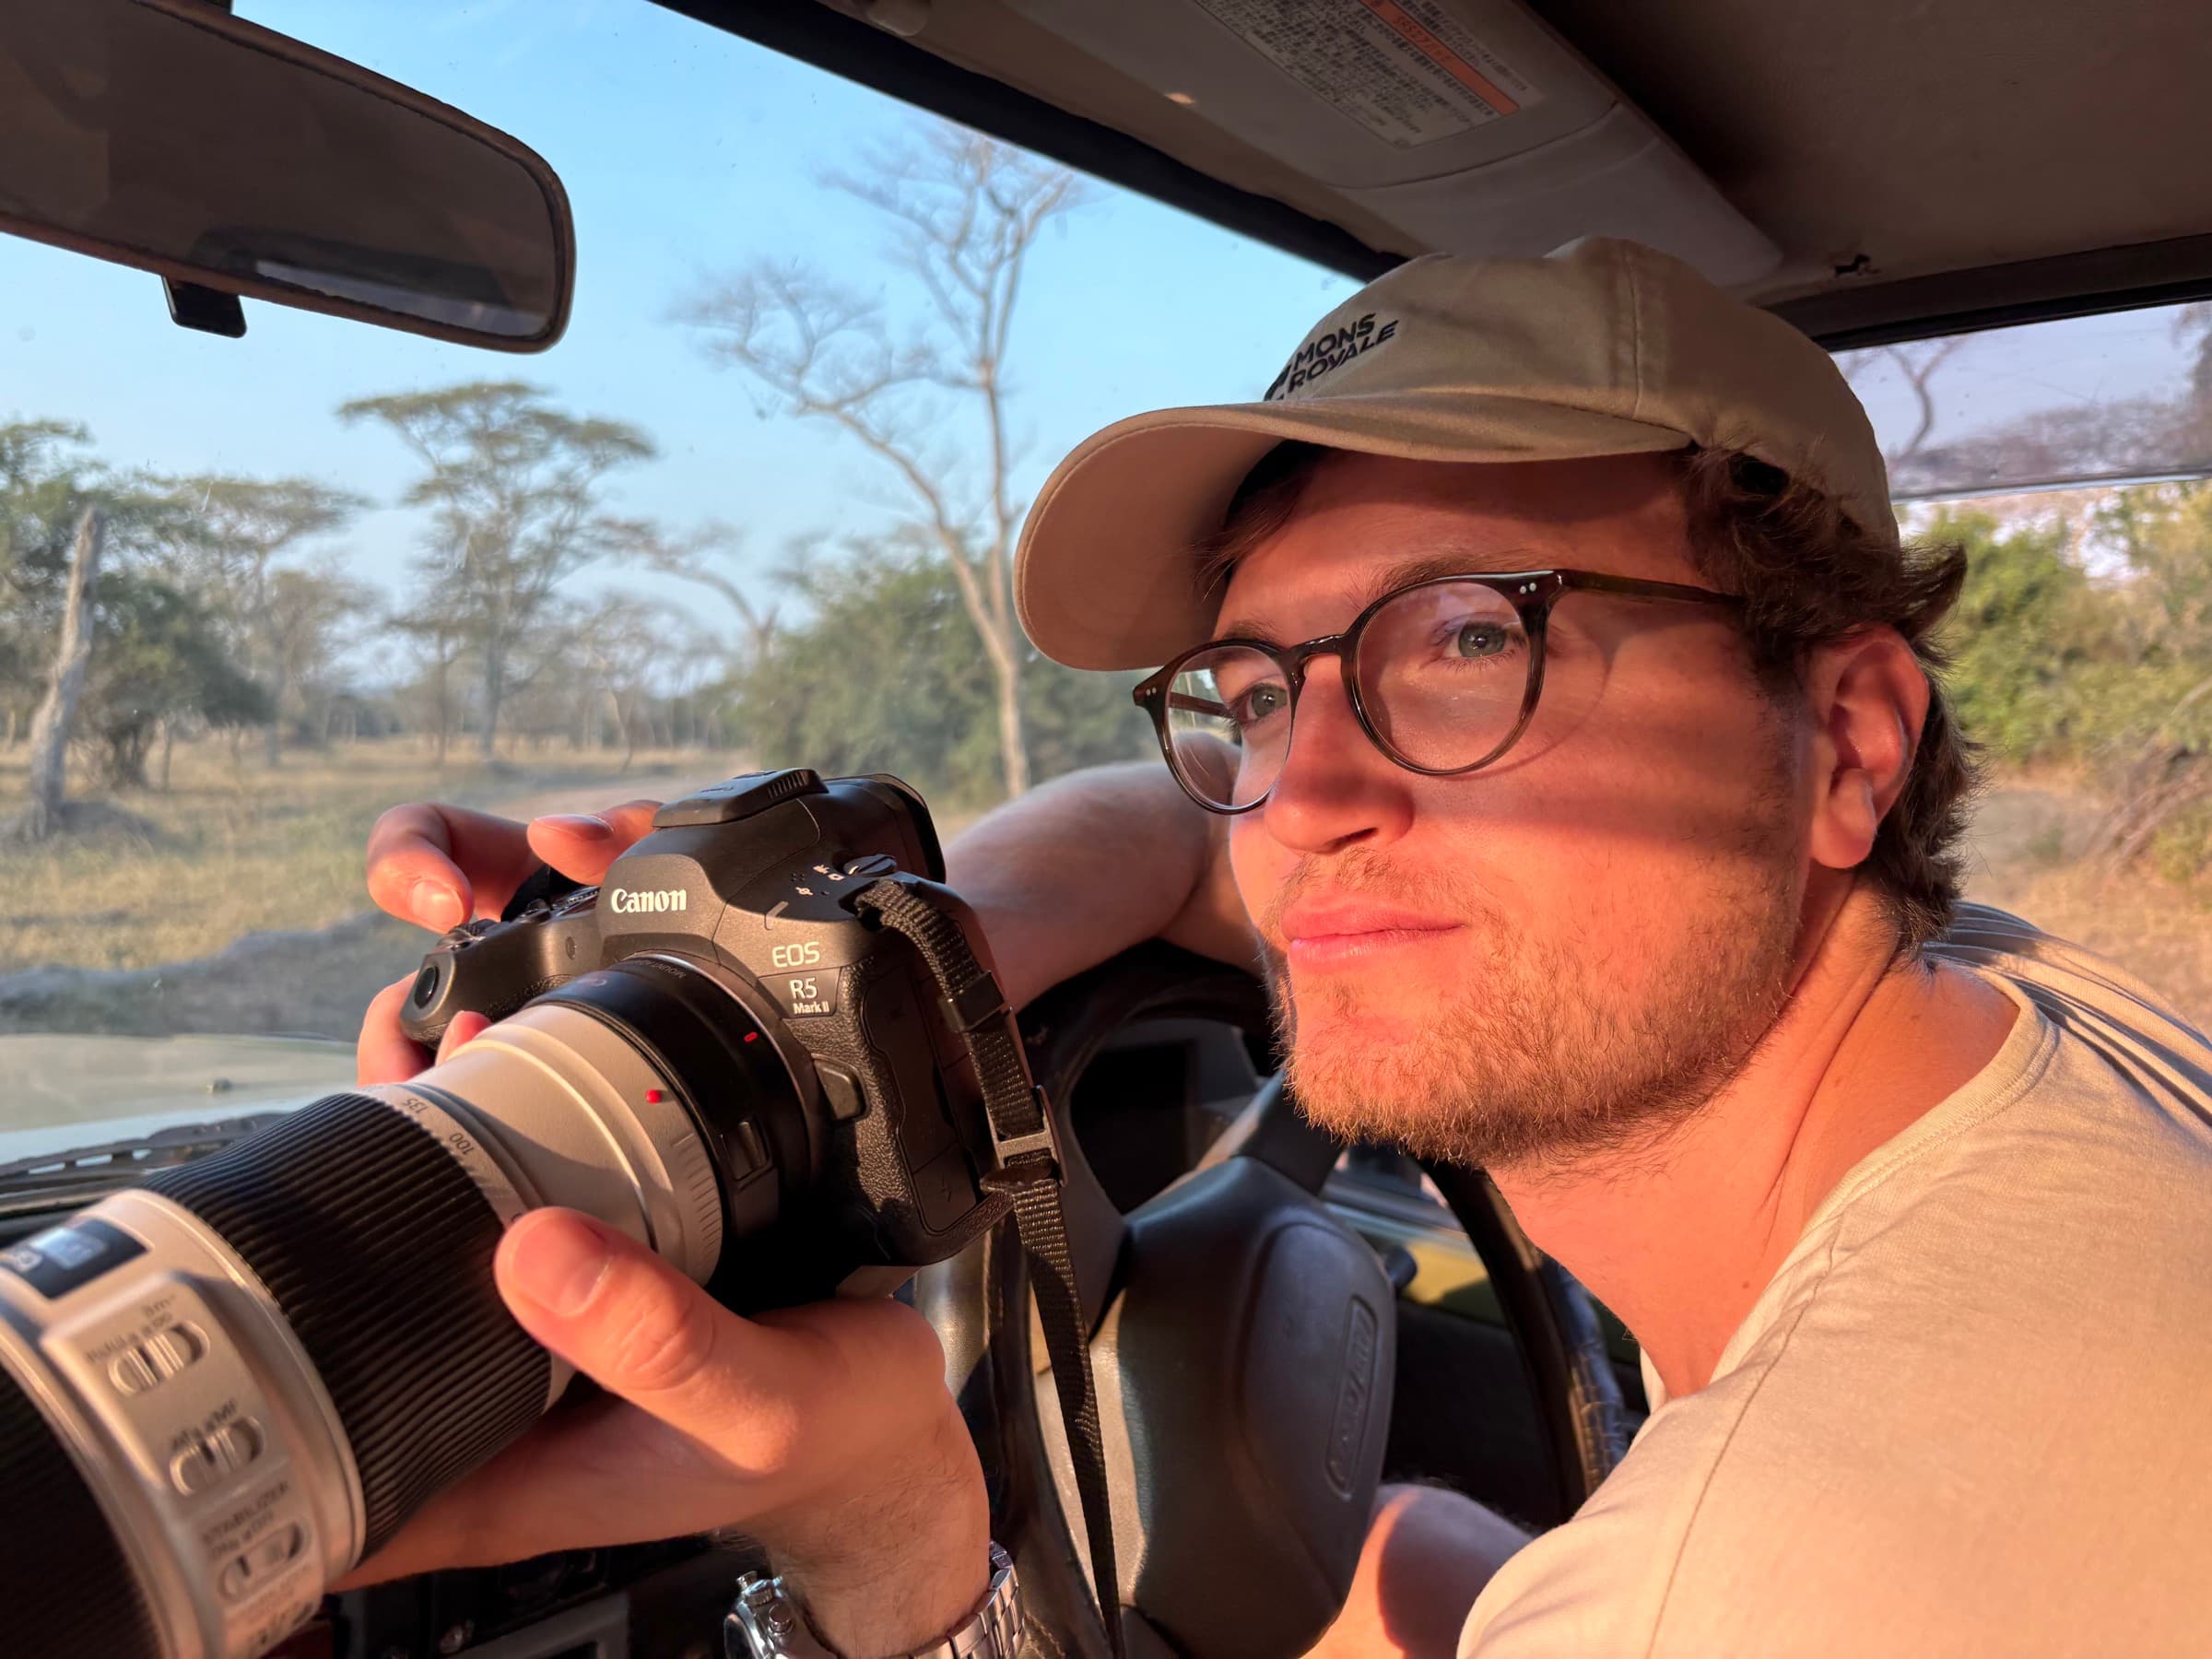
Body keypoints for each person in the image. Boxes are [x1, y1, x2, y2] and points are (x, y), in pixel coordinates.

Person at [354, 239, 2212, 1656]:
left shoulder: (1773, 1582)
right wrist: (872, 969)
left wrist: (897, 1540)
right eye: (1253, 689)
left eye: (1472, 640)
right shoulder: (2031, 1009)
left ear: (1850, 742)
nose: (1304, 798)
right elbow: (1184, 827)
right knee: (1402, 1550)